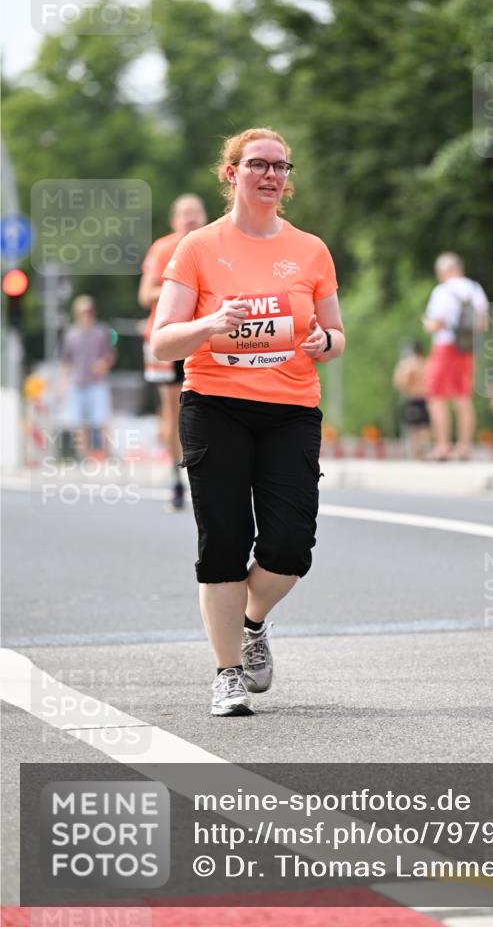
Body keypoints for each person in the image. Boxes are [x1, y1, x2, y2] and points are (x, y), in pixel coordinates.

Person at [151, 127, 344, 717]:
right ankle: (227, 672)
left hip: (290, 410)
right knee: (224, 543)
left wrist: (324, 341)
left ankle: (252, 621)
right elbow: (162, 341)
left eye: (280, 166)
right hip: (215, 406)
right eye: (258, 164)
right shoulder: (198, 248)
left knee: (290, 546)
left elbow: (336, 336)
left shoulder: (311, 250)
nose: (271, 175)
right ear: (231, 172)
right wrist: (209, 325)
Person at [138, 194, 208, 510]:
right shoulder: (163, 248)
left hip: (202, 336)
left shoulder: (213, 246)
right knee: (173, 411)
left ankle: (204, 473)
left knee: (207, 406)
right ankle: (176, 478)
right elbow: (145, 294)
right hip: (166, 337)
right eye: (184, 213)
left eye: (196, 212)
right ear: (174, 219)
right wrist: (178, 287)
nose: (191, 218)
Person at [422, 252, 488, 460]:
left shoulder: (443, 291)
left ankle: (443, 446)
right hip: (467, 348)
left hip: (445, 346)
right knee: (463, 397)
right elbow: (483, 324)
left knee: (436, 396)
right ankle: (464, 448)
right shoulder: (475, 288)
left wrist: (427, 324)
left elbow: (436, 323)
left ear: (444, 271)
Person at [58, 295, 116, 458]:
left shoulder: (101, 332)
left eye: (90, 311)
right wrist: (62, 384)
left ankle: (107, 455)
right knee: (79, 422)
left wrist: (103, 365)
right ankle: (83, 457)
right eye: (84, 311)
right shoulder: (70, 334)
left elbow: (110, 355)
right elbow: (65, 361)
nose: (87, 314)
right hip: (77, 382)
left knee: (102, 420)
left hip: (97, 383)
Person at [392, 341, 430, 459]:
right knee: (424, 427)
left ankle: (414, 452)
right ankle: (418, 451)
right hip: (425, 398)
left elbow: (399, 382)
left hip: (413, 398)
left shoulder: (407, 364)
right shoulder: (426, 363)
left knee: (413, 428)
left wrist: (406, 388)